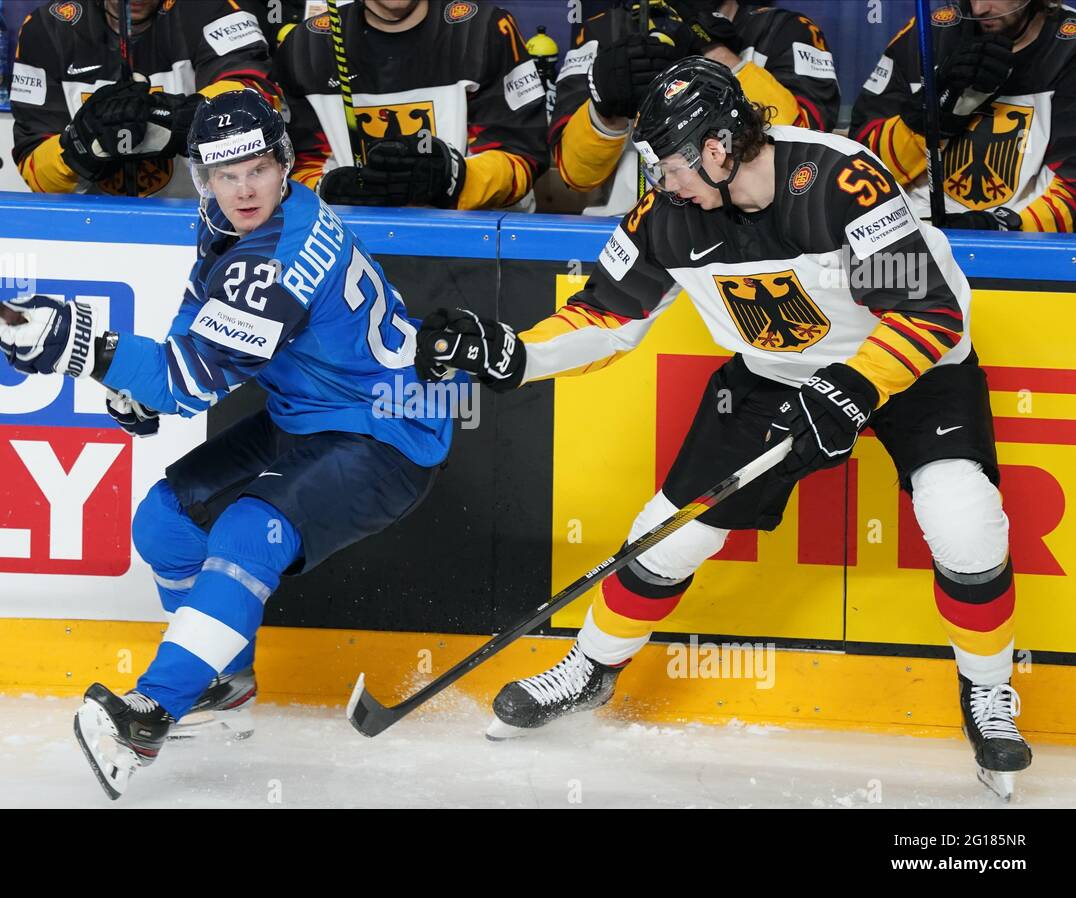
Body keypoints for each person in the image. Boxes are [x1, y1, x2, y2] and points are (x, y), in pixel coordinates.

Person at [415, 57, 1031, 800]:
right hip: (775, 376)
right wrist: (518, 355)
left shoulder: (840, 181)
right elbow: (604, 318)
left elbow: (928, 311)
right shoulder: (667, 217)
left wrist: (855, 388)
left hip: (912, 369)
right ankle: (592, 666)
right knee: (670, 531)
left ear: (718, 148)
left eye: (671, 166)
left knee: (964, 520)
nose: (662, 185)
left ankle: (989, 693)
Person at [0, 89, 452, 799]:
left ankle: (149, 714)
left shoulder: (279, 257)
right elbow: (198, 315)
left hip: (389, 427)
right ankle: (224, 678)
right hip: (312, 413)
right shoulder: (227, 216)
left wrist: (81, 346)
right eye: (224, 174)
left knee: (247, 530)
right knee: (165, 520)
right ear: (202, 177)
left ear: (285, 164)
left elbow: (193, 383)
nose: (242, 189)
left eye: (259, 170)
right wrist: (134, 378)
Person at [550, 0, 839, 216]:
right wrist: (605, 111)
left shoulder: (785, 30)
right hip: (628, 234)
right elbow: (576, 176)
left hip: (750, 240)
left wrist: (714, 51)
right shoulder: (602, 30)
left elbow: (804, 158)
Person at [272, 0, 549, 210]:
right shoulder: (305, 49)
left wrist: (454, 177)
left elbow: (522, 156)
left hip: (473, 244)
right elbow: (288, 170)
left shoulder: (484, 29)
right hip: (353, 245)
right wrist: (330, 191)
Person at [11, 0, 278, 196]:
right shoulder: (48, 27)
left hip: (199, 222)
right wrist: (78, 145)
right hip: (87, 228)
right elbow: (35, 169)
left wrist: (174, 118)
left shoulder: (211, 9)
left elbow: (254, 99)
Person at [850, 0, 1076, 231]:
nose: (979, 9)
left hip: (1025, 246)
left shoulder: (1069, 46)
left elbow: (1072, 189)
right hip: (918, 234)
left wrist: (998, 226)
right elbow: (862, 169)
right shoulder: (929, 33)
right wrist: (928, 114)